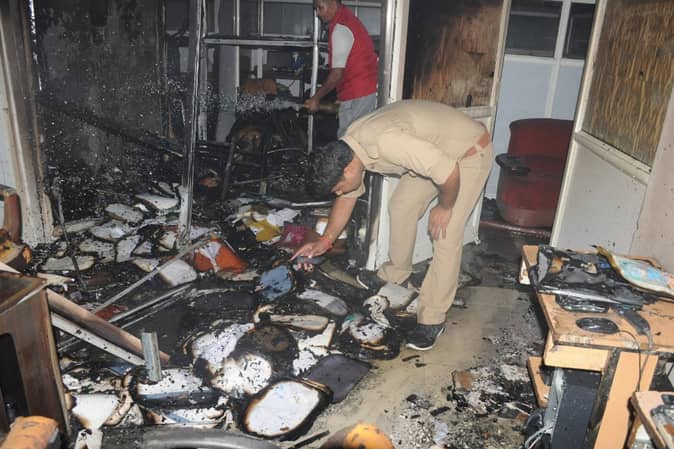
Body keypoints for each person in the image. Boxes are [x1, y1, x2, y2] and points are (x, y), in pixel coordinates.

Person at [292, 99, 494, 350]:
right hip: (438, 155)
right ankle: (396, 274)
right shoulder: (348, 148)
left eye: (337, 188)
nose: (338, 193)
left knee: (446, 231)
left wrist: (444, 207)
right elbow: (347, 196)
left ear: (348, 170)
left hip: (468, 154)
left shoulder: (388, 142)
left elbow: (449, 171)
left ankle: (432, 317)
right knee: (401, 206)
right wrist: (326, 239)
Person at [305, 0, 378, 137]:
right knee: (359, 138)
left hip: (357, 92)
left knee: (349, 140)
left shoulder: (340, 29)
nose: (317, 13)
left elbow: (337, 75)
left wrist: (316, 98)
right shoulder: (348, 18)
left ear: (333, 3)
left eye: (320, 8)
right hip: (365, 89)